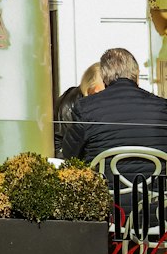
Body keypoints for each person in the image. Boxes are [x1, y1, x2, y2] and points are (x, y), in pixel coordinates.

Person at [60, 47, 167, 176]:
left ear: (104, 77)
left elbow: (69, 154)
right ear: (136, 74)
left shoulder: (86, 108)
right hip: (154, 193)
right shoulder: (162, 107)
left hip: (106, 193)